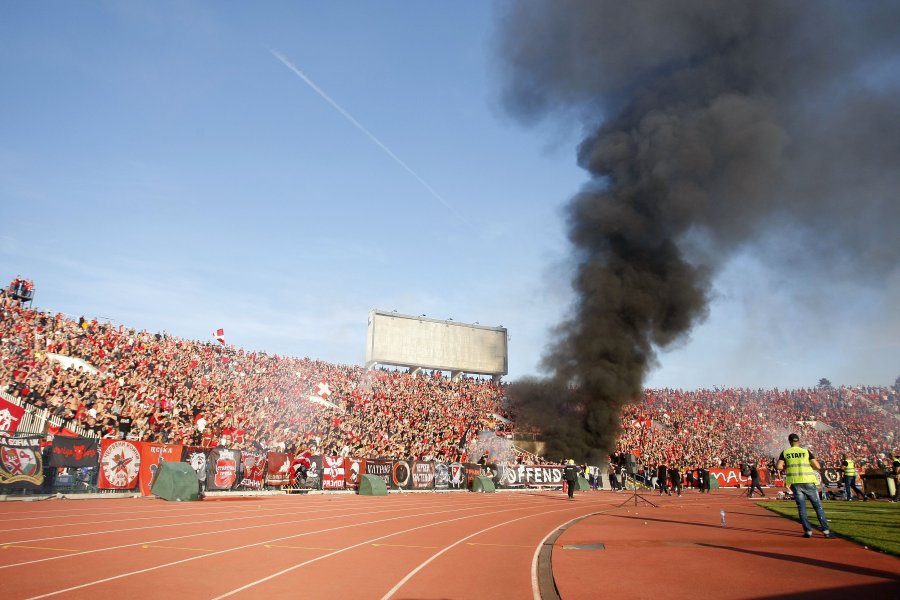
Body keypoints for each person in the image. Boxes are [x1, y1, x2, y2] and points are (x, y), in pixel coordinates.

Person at [776, 433, 832, 538]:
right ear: (799, 441)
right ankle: (826, 531)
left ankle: (808, 531)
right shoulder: (806, 451)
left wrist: (787, 467)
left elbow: (779, 466)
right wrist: (810, 467)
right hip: (809, 481)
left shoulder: (785, 452)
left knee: (801, 508)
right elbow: (817, 466)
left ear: (789, 442)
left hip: (796, 482)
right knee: (818, 507)